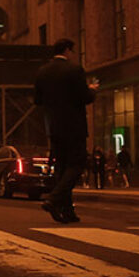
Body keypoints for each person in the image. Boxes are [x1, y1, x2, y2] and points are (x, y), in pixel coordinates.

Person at [34, 38, 98, 223]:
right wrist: (92, 90)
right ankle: (54, 199)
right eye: (73, 51)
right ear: (68, 50)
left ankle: (67, 210)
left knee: (62, 168)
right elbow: (85, 97)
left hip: (54, 126)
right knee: (77, 165)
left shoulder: (42, 72)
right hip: (74, 125)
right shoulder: (74, 70)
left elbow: (38, 100)